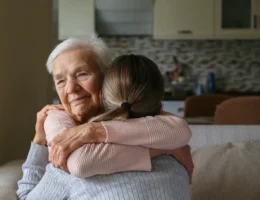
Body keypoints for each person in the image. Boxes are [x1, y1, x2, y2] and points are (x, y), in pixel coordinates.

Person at [17, 35, 192, 200]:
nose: (71, 88)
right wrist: (161, 150)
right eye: (60, 81)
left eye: (82, 74)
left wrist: (39, 142)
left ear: (107, 78)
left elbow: (26, 196)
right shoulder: (169, 144)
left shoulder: (67, 160)